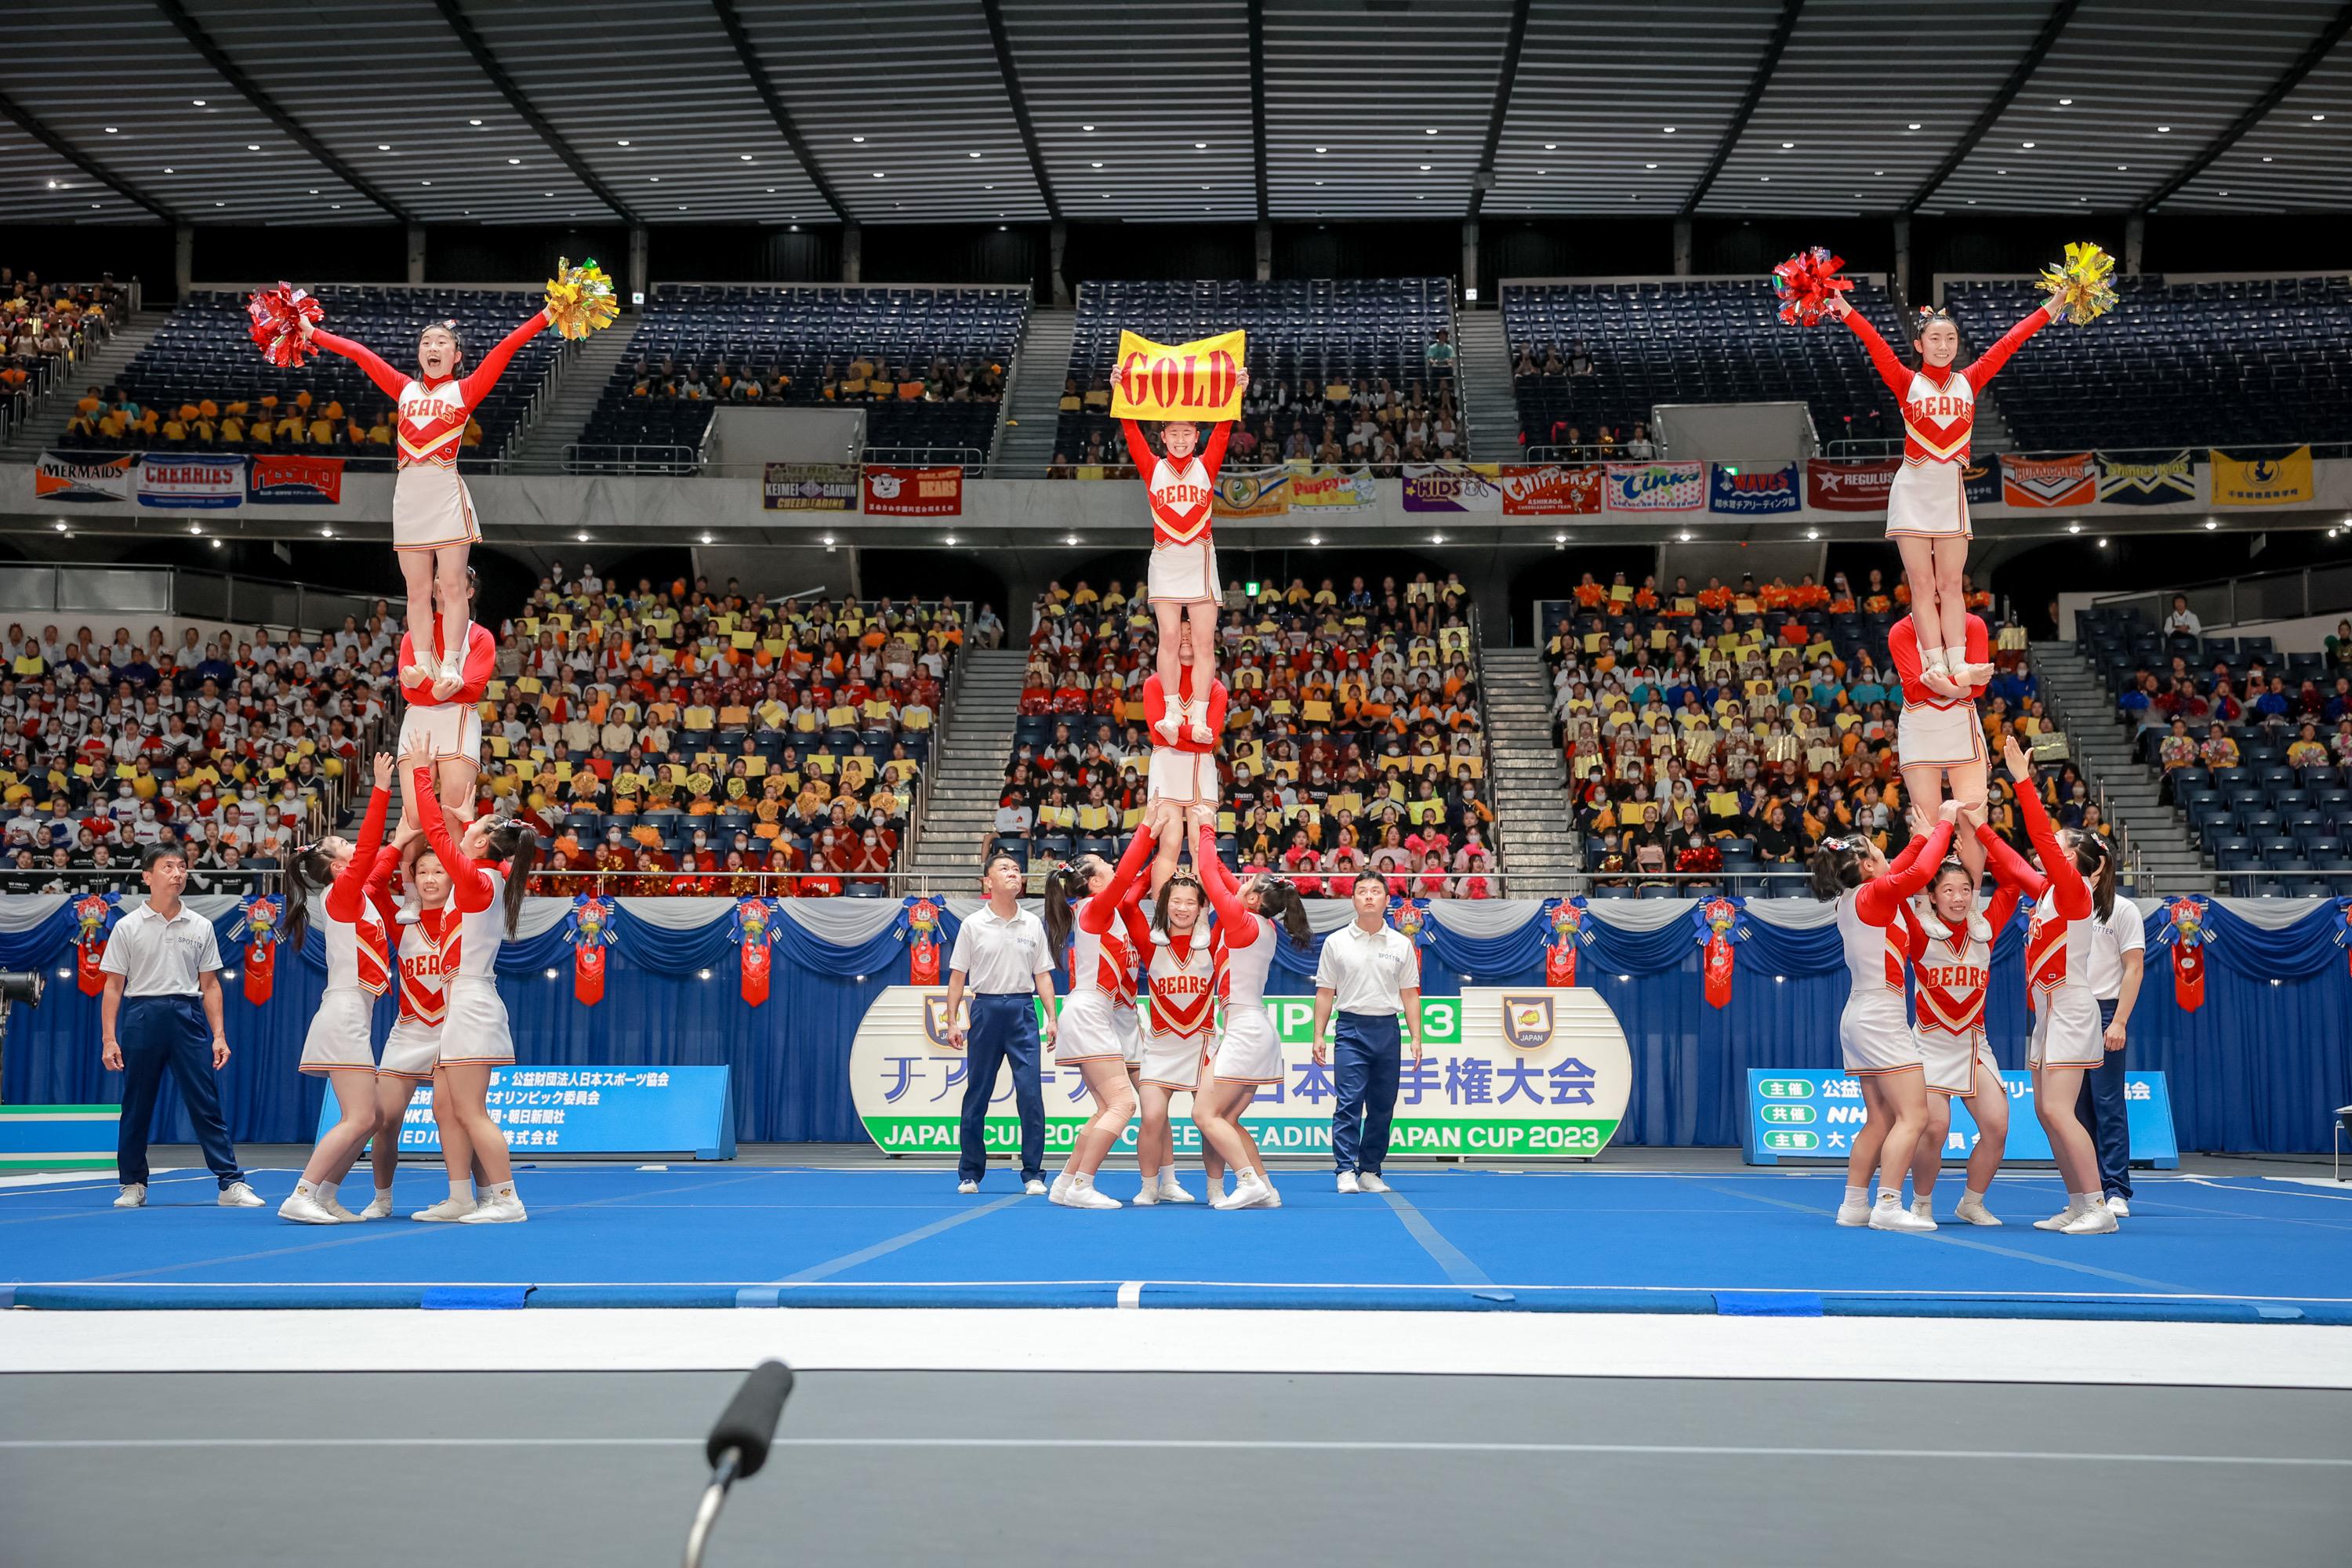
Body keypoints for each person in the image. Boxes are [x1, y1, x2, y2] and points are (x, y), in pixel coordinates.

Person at [303, 303, 549, 700]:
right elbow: (360, 354)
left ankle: (451, 662)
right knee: (416, 590)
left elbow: (506, 347)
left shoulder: (464, 390)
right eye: (425, 342)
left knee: (452, 585)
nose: (432, 346)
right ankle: (421, 662)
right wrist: (312, 333)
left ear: (457, 356)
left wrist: (546, 317)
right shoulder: (403, 387)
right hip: (409, 500)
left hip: (446, 496)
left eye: (442, 342)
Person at [1828, 289, 2059, 697]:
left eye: (1950, 339)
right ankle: (1933, 658)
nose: (1943, 345)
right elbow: (1874, 342)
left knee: (1952, 585)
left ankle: (1957, 659)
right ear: (1919, 345)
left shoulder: (1971, 380)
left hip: (1951, 496)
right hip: (1913, 492)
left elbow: (2011, 341)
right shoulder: (1906, 381)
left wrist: (2053, 305)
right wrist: (1844, 308)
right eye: (1934, 339)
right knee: (1923, 585)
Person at [397, 751, 539, 1222]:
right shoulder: (491, 875)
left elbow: (438, 836)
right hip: (462, 1002)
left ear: (480, 845)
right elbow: (470, 841)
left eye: (474, 830)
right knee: (446, 1106)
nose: (466, 830)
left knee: (472, 1111)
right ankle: (460, 1196)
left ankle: (506, 1200)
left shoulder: (477, 880)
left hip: (472, 1000)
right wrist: (469, 819)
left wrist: (422, 776)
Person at [1997, 733, 2122, 1234]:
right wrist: (1972, 825)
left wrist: (2023, 781)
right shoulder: (2051, 892)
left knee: (2056, 1108)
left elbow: (2042, 841)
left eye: (2060, 851)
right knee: (2047, 1114)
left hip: (2070, 1007)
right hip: (2047, 1012)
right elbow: (2011, 864)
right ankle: (2077, 1201)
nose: (2048, 855)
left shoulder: (2074, 893)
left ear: (2077, 864)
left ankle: (2099, 1208)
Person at [1814, 803, 1957, 1232]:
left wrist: (1921, 835)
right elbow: (1914, 875)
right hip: (1880, 1015)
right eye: (1877, 851)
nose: (1883, 853)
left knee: (1880, 1119)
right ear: (1864, 864)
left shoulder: (1853, 898)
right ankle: (1889, 1204)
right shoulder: (1875, 895)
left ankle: (1854, 1204)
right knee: (1916, 1117)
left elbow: (1904, 867)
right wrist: (1945, 823)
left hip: (1861, 1013)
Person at [100, 844, 264, 1210]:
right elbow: (113, 986)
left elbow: (210, 986)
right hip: (142, 1014)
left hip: (187, 1016)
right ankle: (132, 1183)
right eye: (168, 867)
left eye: (182, 867)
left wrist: (219, 1034)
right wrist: (109, 1039)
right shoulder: (127, 926)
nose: (177, 873)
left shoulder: (201, 925)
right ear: (147, 877)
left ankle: (230, 1183)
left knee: (205, 1103)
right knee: (137, 1105)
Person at [276, 753, 401, 1225]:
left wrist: (408, 828)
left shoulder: (354, 893)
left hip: (353, 1013)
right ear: (334, 866)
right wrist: (382, 788)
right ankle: (302, 1193)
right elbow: (370, 850)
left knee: (368, 1118)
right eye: (340, 844)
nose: (350, 845)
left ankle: (325, 1194)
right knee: (357, 1119)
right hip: (345, 1013)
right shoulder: (341, 893)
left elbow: (380, 858)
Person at [1894, 818, 2030, 1227]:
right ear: (1932, 895)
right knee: (1934, 1128)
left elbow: (2012, 884)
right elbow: (1898, 886)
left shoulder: (1985, 930)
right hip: (1930, 1045)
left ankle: (1972, 1201)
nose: (1957, 898)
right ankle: (1920, 1203)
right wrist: (1927, 835)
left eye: (1965, 889)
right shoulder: (1919, 931)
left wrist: (1982, 830)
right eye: (1948, 890)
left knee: (1998, 1126)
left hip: (1973, 1044)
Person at [1120, 366, 1247, 746]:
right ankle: (1174, 710)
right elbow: (1130, 434)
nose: (1179, 439)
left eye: (1186, 433)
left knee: (1206, 643)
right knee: (1171, 637)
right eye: (1172, 433)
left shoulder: (1207, 465)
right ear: (1162, 438)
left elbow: (1224, 428)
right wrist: (1121, 390)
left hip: (1201, 559)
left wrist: (1237, 390)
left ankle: (1200, 714)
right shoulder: (1153, 467)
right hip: (1165, 560)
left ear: (1196, 436)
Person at [1194, 811, 1310, 1210]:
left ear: (1255, 898)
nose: (1240, 884)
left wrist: (1207, 826)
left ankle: (1248, 1182)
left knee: (1204, 1114)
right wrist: (1201, 830)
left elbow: (1210, 876)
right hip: (1252, 1028)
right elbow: (1224, 875)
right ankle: (1267, 1188)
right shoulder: (1259, 922)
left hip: (1245, 1031)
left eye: (1249, 885)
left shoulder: (1243, 923)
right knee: (1225, 1120)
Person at [1039, 828, 1154, 1209]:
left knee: (1107, 1108)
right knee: (1123, 1105)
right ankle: (1082, 1186)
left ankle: (1066, 1181)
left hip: (1094, 1013)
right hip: (1089, 1012)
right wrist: (1148, 826)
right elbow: (1128, 875)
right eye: (1105, 863)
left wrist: (1170, 838)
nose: (1112, 864)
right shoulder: (1095, 908)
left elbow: (1137, 880)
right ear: (1093, 882)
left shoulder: (1109, 912)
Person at [942, 850, 1058, 1194]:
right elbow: (956, 977)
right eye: (1004, 869)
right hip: (985, 1010)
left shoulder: (1033, 923)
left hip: (1023, 1011)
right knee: (977, 1093)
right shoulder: (972, 925)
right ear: (987, 882)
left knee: (1030, 1095)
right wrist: (952, 1022)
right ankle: (970, 1173)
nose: (1013, 873)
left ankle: (1034, 1173)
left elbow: (1044, 976)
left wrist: (1052, 1017)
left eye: (1017, 869)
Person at [1311, 871, 1424, 1194]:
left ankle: (1370, 1170)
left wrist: (1417, 1038)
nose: (1370, 896)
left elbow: (1410, 995)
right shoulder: (1336, 942)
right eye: (1363, 891)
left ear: (1388, 901)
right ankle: (1345, 1169)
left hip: (1388, 1030)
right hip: (1350, 1030)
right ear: (1354, 900)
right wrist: (1318, 1035)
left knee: (1382, 1106)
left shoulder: (1402, 944)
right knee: (1348, 1102)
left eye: (1376, 891)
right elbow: (1324, 993)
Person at [1889, 612, 1990, 884]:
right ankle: (1922, 903)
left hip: (1962, 723)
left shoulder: (1972, 624)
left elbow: (1980, 690)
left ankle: (1973, 904)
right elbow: (1912, 690)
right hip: (1920, 724)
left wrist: (1946, 685)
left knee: (1974, 819)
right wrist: (1964, 680)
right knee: (1928, 824)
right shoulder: (1902, 630)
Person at [395, 568, 496, 832]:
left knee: (453, 814)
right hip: (419, 720)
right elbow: (408, 692)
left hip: (459, 718)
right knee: (414, 819)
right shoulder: (412, 636)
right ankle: (412, 875)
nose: (443, 582)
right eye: (439, 576)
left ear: (469, 591)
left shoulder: (480, 636)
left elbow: (471, 690)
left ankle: (456, 874)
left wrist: (425, 686)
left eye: (454, 578)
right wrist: (436, 691)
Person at [2077, 840, 2144, 1217]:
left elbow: (2134, 967)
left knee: (2107, 1103)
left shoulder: (2123, 909)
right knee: (2075, 1107)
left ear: (2098, 864)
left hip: (2104, 1010)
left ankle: (2115, 1187)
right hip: (2068, 1012)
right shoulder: (2062, 905)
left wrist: (2119, 1019)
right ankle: (2088, 1190)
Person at [1142, 641, 1228, 894]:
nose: (1188, 638)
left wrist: (1175, 735)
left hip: (1201, 767)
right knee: (1169, 843)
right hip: (1166, 764)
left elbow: (1208, 742)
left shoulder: (1216, 688)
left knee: (1201, 847)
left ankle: (1201, 919)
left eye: (1193, 632)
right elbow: (1157, 736)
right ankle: (1160, 917)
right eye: (1181, 633)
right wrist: (1191, 732)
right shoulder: (1154, 683)